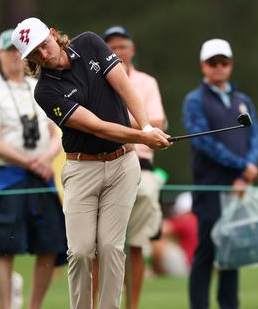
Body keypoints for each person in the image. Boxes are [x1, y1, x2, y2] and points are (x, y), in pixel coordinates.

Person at [11, 17, 171, 309]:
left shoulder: (90, 43)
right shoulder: (45, 91)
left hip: (122, 165)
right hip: (82, 169)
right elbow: (97, 126)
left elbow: (124, 87)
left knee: (111, 247)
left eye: (44, 45)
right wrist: (142, 137)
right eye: (35, 53)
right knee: (82, 251)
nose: (44, 54)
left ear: (53, 34)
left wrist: (147, 127)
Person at [0, 29, 67, 309]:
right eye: (8, 51)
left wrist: (44, 159)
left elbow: (54, 132)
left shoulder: (38, 85)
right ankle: (6, 306)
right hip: (9, 176)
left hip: (41, 175)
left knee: (51, 244)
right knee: (3, 247)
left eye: (17, 52)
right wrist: (29, 162)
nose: (13, 57)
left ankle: (34, 305)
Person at [87, 25, 167, 309]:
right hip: (103, 161)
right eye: (113, 47)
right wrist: (135, 127)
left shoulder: (147, 82)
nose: (118, 51)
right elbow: (90, 126)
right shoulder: (93, 80)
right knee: (97, 247)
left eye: (123, 45)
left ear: (132, 50)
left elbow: (158, 125)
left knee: (134, 245)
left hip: (140, 165)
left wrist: (114, 124)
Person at [182, 38, 258, 309]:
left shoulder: (243, 100)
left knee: (232, 251)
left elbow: (255, 139)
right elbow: (204, 142)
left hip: (238, 185)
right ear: (203, 66)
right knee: (207, 250)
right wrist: (242, 166)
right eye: (212, 62)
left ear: (231, 65)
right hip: (210, 186)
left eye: (223, 62)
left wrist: (246, 172)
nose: (219, 67)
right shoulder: (195, 100)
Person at [151, 192, 198, 277]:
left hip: (187, 268)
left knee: (158, 242)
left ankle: (156, 274)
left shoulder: (186, 219)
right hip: (197, 267)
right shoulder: (200, 220)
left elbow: (159, 229)